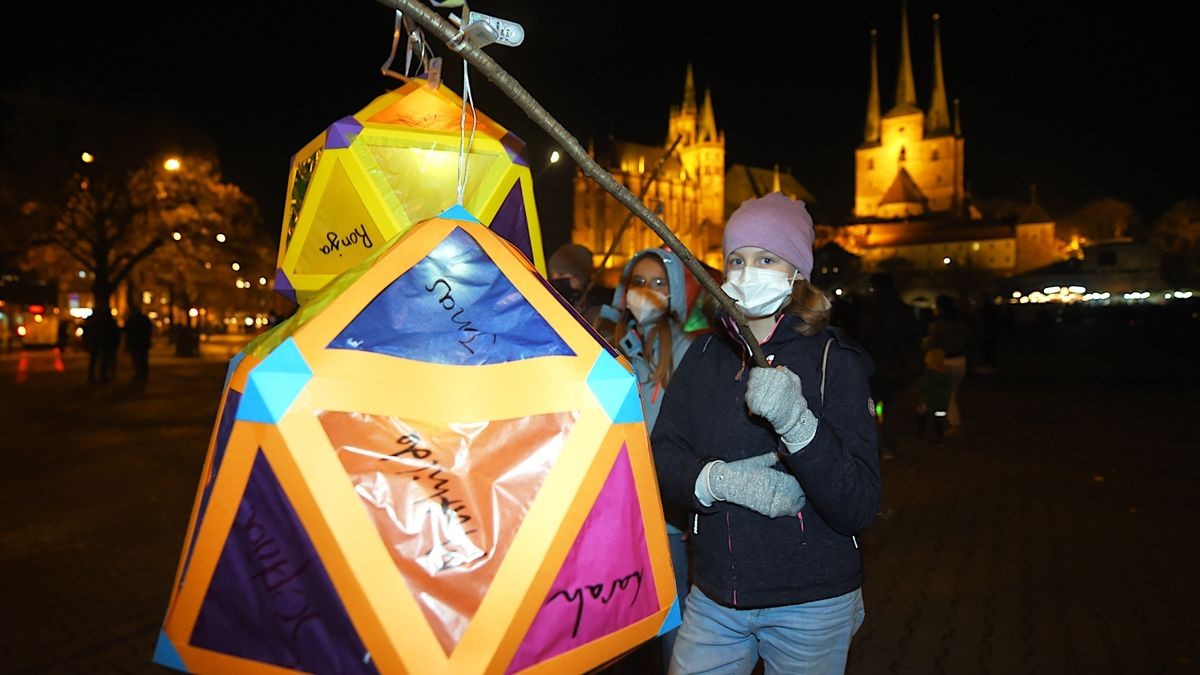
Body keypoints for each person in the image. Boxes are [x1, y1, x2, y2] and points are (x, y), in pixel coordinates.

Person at [651, 193, 881, 674]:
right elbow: (663, 453)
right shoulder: (704, 357)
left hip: (810, 604)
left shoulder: (833, 362)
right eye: (736, 259)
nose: (746, 271)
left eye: (765, 258)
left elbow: (857, 504)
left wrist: (798, 424)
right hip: (715, 594)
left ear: (795, 272)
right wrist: (713, 481)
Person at [596, 247, 696, 670]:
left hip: (667, 515)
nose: (648, 292)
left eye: (659, 283)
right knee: (616, 620)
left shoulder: (690, 351)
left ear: (673, 292)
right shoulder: (608, 344)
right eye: (639, 282)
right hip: (615, 509)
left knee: (675, 621)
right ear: (624, 290)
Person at [857, 273, 922, 460]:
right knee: (893, 407)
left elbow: (862, 336)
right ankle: (889, 447)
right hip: (896, 364)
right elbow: (913, 339)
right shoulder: (903, 310)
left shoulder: (869, 308)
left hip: (872, 364)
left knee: (869, 409)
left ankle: (874, 446)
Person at [923, 294, 969, 435]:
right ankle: (945, 419)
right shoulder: (961, 322)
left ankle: (954, 423)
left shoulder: (939, 324)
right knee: (951, 392)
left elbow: (933, 343)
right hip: (961, 359)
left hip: (945, 361)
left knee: (948, 394)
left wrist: (926, 344)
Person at [547, 243, 605, 324]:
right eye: (551, 274)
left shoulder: (597, 312)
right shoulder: (548, 305)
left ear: (579, 278)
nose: (554, 279)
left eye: (561, 274)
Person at [914, 347, 953, 442]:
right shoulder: (947, 373)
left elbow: (923, 384)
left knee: (921, 414)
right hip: (942, 403)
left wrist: (918, 387)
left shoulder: (931, 374)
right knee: (939, 419)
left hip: (930, 401)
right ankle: (940, 435)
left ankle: (922, 432)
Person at [83, 309, 121, 383]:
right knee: (105, 360)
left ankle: (94, 376)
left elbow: (87, 333)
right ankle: (103, 375)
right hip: (104, 343)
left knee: (96, 360)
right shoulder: (109, 321)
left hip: (97, 343)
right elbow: (114, 333)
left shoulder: (93, 321)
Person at [123, 307, 153, 382]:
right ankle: (143, 374)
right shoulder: (144, 319)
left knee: (137, 359)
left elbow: (127, 331)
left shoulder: (131, 320)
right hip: (142, 343)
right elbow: (149, 329)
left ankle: (139, 374)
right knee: (143, 359)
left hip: (135, 343)